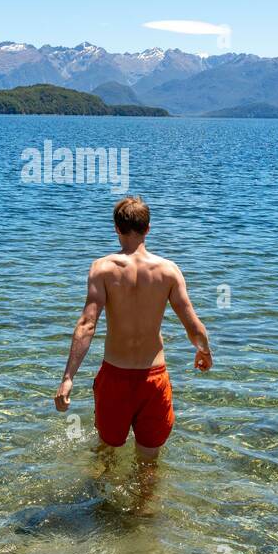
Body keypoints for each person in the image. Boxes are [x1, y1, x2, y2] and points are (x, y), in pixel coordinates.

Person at [53, 196, 212, 459]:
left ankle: (102, 500)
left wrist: (68, 378)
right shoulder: (169, 271)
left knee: (106, 455)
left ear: (116, 228)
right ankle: (144, 502)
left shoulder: (102, 269)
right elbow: (193, 326)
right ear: (148, 228)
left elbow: (87, 324)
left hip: (115, 378)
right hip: (154, 379)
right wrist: (204, 351)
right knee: (149, 463)